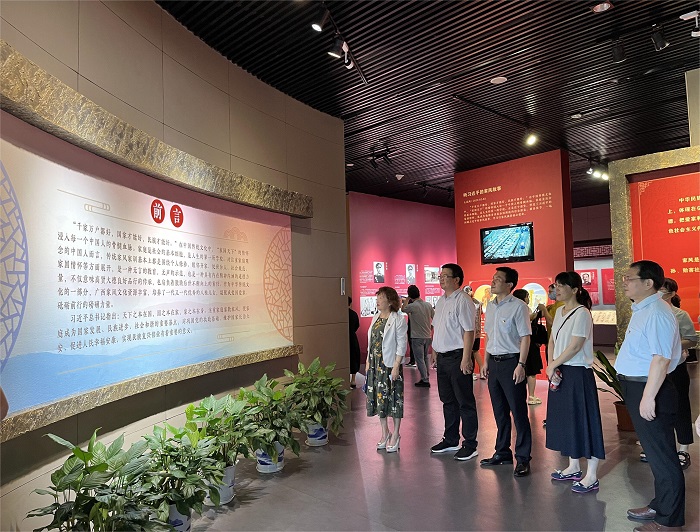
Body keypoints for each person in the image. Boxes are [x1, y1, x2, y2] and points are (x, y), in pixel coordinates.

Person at [615, 260, 684, 532]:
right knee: (656, 454)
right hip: (640, 388)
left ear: (648, 283)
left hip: (651, 389)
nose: (624, 282)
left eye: (629, 278)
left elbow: (661, 358)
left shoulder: (656, 312)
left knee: (663, 455)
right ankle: (660, 504)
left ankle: (669, 520)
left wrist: (648, 397)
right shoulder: (643, 309)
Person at [545, 272, 605, 493]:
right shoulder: (559, 312)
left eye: (562, 285)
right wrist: (552, 365)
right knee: (567, 420)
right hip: (560, 371)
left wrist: (553, 365)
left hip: (578, 373)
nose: (557, 289)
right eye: (556, 285)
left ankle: (591, 475)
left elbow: (576, 346)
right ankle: (573, 466)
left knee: (584, 421)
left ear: (575, 289)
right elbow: (552, 340)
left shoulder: (582, 313)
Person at [480, 266, 533, 477]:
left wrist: (521, 364)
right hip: (494, 364)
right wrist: (485, 361)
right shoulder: (490, 306)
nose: (493, 282)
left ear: (509, 285)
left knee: (518, 412)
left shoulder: (518, 307)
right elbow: (489, 336)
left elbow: (526, 337)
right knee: (499, 411)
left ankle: (523, 458)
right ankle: (502, 452)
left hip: (512, 363)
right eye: (493, 278)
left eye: (498, 279)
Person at [429, 263, 479, 461]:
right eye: (440, 276)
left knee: (465, 402)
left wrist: (466, 358)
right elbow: (437, 329)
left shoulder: (463, 301)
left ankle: (470, 444)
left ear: (456, 280)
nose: (441, 279)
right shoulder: (441, 301)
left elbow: (469, 331)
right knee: (448, 401)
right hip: (443, 358)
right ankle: (450, 439)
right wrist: (434, 351)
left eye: (445, 276)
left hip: (458, 357)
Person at [652, 278, 696, 470]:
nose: (659, 293)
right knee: (658, 406)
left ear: (672, 293)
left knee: (681, 406)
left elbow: (692, 340)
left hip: (676, 366)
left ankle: (684, 448)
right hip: (654, 367)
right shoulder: (651, 313)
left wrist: (673, 346)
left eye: (663, 290)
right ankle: (663, 447)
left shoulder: (680, 314)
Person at [366, 286, 407, 453]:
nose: (378, 300)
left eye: (381, 298)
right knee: (379, 398)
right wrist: (368, 360)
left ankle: (396, 434)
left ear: (390, 301)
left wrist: (397, 365)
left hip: (390, 365)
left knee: (394, 399)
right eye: (377, 297)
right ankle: (385, 432)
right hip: (375, 365)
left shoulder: (398, 319)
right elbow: (371, 342)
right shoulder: (375, 317)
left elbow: (402, 344)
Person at [512, 289, 544, 405]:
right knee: (531, 371)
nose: (528, 299)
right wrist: (534, 315)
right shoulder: (524, 308)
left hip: (517, 345)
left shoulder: (513, 308)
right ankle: (531, 396)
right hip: (529, 345)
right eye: (527, 296)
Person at [402, 285, 434, 387]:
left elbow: (403, 309)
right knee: (425, 357)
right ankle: (426, 376)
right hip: (427, 336)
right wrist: (431, 328)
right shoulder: (428, 305)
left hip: (417, 337)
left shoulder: (413, 306)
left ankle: (425, 379)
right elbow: (435, 317)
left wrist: (407, 299)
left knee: (419, 359)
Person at [464, 286, 485, 381]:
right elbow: (482, 312)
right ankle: (482, 371)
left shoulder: (467, 303)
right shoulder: (478, 303)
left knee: (470, 352)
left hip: (469, 332)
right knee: (475, 351)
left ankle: (471, 372)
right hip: (477, 332)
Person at [348, 297, 361, 389]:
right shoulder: (353, 314)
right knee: (354, 357)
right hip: (352, 337)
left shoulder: (340, 314)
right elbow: (357, 325)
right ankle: (353, 380)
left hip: (343, 338)